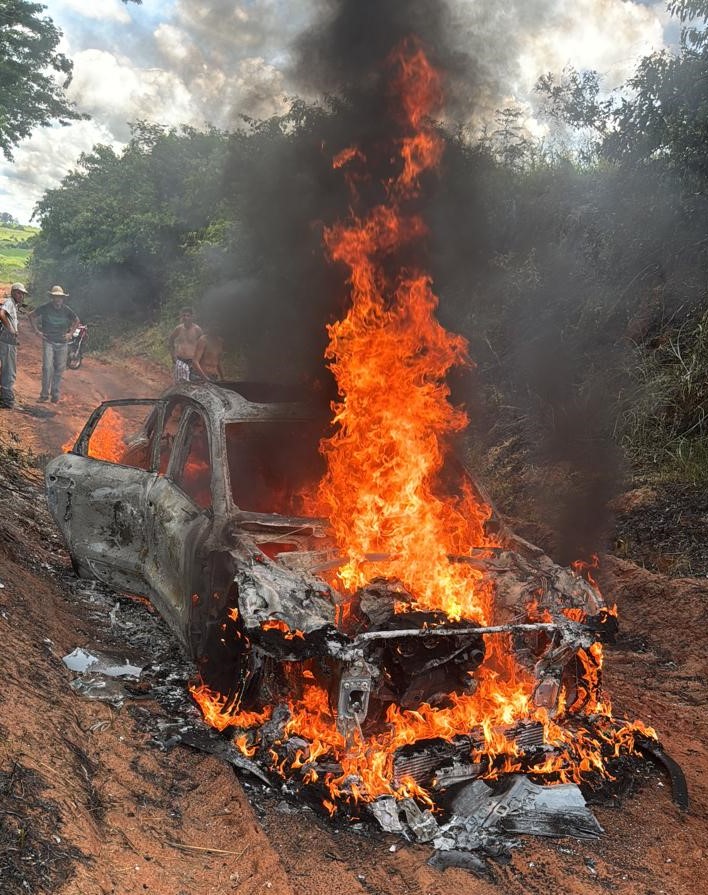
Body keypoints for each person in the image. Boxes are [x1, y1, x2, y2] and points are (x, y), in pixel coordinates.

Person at [30, 285, 79, 403]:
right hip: (49, 341)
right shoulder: (45, 308)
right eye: (56, 297)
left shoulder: (66, 309)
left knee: (60, 368)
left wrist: (70, 334)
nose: (58, 299)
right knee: (47, 367)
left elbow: (77, 320)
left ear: (63, 298)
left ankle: (55, 394)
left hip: (62, 343)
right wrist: (37, 331)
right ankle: (44, 394)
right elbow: (31, 315)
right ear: (52, 297)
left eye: (60, 297)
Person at [0, 283, 29, 409]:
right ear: (13, 292)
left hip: (7, 341)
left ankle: (5, 397)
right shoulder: (10, 303)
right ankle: (8, 401)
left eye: (22, 294)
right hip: (7, 342)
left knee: (6, 369)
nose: (21, 296)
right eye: (19, 293)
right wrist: (11, 330)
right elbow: (1, 314)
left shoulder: (13, 304)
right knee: (9, 371)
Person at [168, 307, 203, 382]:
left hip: (192, 362)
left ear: (192, 317)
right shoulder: (179, 328)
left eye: (188, 315)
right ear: (181, 317)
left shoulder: (197, 330)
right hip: (180, 360)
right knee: (179, 384)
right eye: (184, 315)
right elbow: (171, 340)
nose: (185, 317)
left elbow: (203, 345)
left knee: (192, 385)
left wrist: (199, 361)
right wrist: (173, 356)